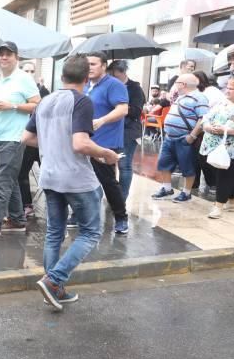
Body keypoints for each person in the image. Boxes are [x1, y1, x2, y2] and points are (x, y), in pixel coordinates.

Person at [22, 56, 120, 310]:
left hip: (50, 176)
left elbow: (26, 138)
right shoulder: (82, 101)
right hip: (76, 179)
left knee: (54, 233)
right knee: (90, 232)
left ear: (62, 77)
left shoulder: (45, 101)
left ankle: (54, 288)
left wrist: (54, 144)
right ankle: (54, 280)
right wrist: (107, 154)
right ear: (86, 80)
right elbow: (80, 144)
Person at [0, 42, 40, 240]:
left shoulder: (24, 79)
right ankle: (17, 220)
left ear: (17, 57)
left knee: (2, 183)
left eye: (8, 54)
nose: (4, 57)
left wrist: (12, 106)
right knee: (10, 180)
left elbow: (37, 105)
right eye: (1, 54)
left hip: (14, 139)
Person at [81, 51, 130, 234]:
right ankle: (81, 214)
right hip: (85, 140)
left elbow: (123, 109)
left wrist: (101, 121)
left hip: (106, 141)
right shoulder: (85, 85)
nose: (89, 68)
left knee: (108, 182)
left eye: (93, 64)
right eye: (87, 64)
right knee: (82, 180)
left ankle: (121, 217)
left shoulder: (113, 85)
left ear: (103, 66)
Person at [150, 73, 208, 203]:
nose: (175, 86)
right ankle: (166, 188)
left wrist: (192, 136)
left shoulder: (199, 98)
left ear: (183, 85)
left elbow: (203, 118)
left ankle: (186, 193)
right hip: (170, 137)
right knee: (164, 163)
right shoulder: (181, 97)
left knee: (187, 167)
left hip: (184, 138)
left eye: (177, 83)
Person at [107, 60, 144, 201]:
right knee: (108, 164)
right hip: (110, 130)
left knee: (124, 165)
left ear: (121, 72)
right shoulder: (108, 86)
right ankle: (112, 195)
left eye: (113, 73)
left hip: (127, 132)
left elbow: (136, 111)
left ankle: (121, 198)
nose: (111, 76)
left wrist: (119, 107)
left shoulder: (134, 88)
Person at [198, 77, 234, 218]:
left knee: (225, 175)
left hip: (230, 148)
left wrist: (227, 130)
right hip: (210, 146)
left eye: (231, 88)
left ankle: (218, 206)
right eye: (228, 87)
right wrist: (206, 125)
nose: (227, 91)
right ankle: (231, 200)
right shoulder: (222, 103)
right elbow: (207, 117)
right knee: (208, 167)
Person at [18, 60, 46, 217]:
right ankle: (26, 204)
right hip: (27, 139)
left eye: (31, 71)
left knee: (49, 173)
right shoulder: (18, 90)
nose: (29, 74)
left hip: (43, 139)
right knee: (22, 173)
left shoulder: (43, 90)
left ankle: (57, 205)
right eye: (26, 71)